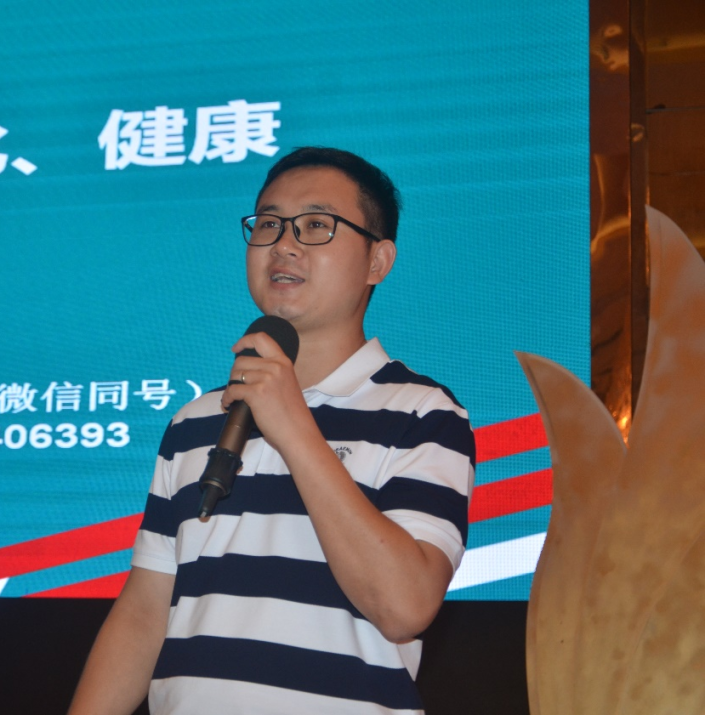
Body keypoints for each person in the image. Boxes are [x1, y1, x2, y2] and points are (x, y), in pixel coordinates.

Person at [68, 147, 475, 715]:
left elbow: (404, 607)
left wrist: (294, 427)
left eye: (316, 225)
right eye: (268, 224)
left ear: (378, 262)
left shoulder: (423, 415)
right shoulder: (194, 422)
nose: (284, 244)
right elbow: (145, 610)